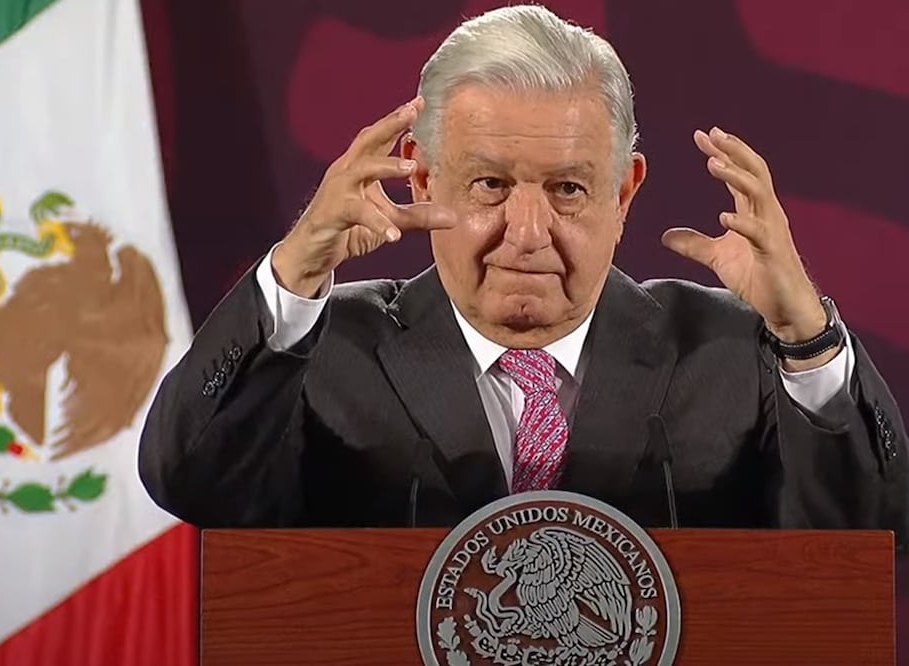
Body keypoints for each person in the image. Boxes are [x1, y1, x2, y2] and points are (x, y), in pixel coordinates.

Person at [138, 5, 908, 541]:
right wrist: (295, 272)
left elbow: (873, 533)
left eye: (568, 189)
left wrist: (806, 336)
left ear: (624, 193)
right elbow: (192, 483)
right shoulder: (322, 349)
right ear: (422, 180)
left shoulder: (732, 350)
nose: (528, 232)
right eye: (490, 186)